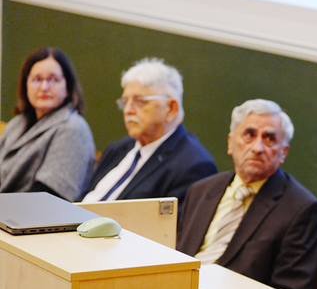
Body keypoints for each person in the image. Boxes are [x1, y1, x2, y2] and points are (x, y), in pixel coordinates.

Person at [177, 99, 317, 289]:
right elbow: (178, 256)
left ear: (283, 152)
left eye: (270, 139)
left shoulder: (300, 209)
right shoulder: (201, 190)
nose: (257, 148)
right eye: (249, 135)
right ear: (230, 143)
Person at [81, 58, 216, 206]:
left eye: (139, 101)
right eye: (125, 102)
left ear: (171, 109)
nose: (127, 110)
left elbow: (171, 221)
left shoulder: (193, 165)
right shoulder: (117, 149)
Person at [0, 47, 95, 201]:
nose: (44, 87)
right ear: (26, 85)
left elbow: (49, 197)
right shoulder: (16, 124)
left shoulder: (73, 129)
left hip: (32, 212)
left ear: (67, 87)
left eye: (54, 79)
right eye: (37, 79)